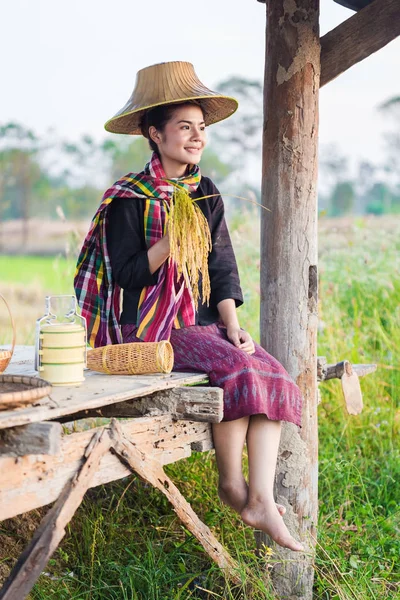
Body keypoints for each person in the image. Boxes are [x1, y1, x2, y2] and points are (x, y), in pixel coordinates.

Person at [75, 61, 304, 552]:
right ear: (154, 134)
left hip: (201, 322)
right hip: (150, 329)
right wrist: (170, 242)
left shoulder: (205, 192)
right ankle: (231, 486)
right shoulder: (127, 199)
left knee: (273, 372)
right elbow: (128, 276)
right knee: (237, 371)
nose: (197, 137)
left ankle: (260, 496)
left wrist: (234, 326)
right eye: (185, 127)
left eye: (201, 128)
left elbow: (222, 266)